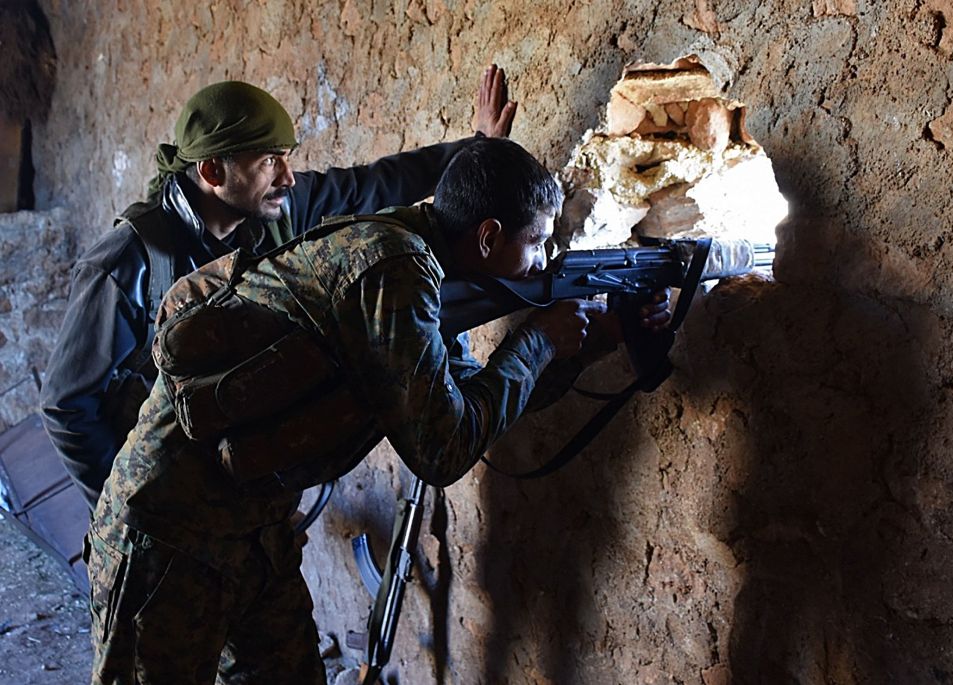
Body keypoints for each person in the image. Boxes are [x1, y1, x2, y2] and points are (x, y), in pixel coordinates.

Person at [85, 137, 671, 684]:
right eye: (538, 241)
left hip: (251, 527)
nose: (545, 261)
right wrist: (538, 341)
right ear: (488, 236)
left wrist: (588, 346)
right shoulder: (395, 269)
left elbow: (471, 400)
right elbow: (443, 448)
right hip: (166, 530)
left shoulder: (427, 267)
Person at [40, 65, 518, 510]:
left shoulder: (273, 209)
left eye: (286, 159)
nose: (288, 177)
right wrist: (128, 509)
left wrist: (475, 150)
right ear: (212, 172)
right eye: (270, 161)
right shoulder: (128, 261)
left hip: (238, 482)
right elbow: (67, 406)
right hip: (166, 494)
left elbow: (373, 184)